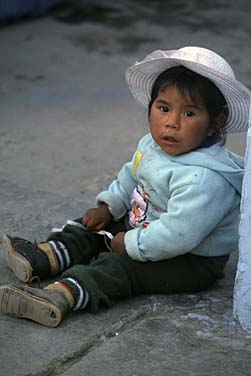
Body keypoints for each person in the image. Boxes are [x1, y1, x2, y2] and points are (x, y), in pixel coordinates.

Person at [0, 46, 250, 327]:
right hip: (146, 228)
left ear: (215, 122)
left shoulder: (205, 178)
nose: (171, 123)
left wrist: (131, 244)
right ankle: (46, 257)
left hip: (189, 260)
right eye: (163, 108)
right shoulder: (154, 146)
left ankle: (62, 295)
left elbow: (177, 234)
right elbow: (131, 175)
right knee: (92, 227)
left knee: (121, 267)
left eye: (189, 113)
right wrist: (109, 206)